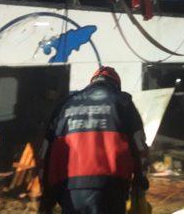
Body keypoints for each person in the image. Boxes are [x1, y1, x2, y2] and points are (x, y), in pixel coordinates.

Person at [39, 66, 149, 213]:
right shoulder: (123, 103)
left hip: (70, 190)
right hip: (111, 188)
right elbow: (139, 146)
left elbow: (46, 152)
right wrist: (140, 182)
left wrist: (47, 196)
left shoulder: (65, 105)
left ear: (92, 82)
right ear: (116, 85)